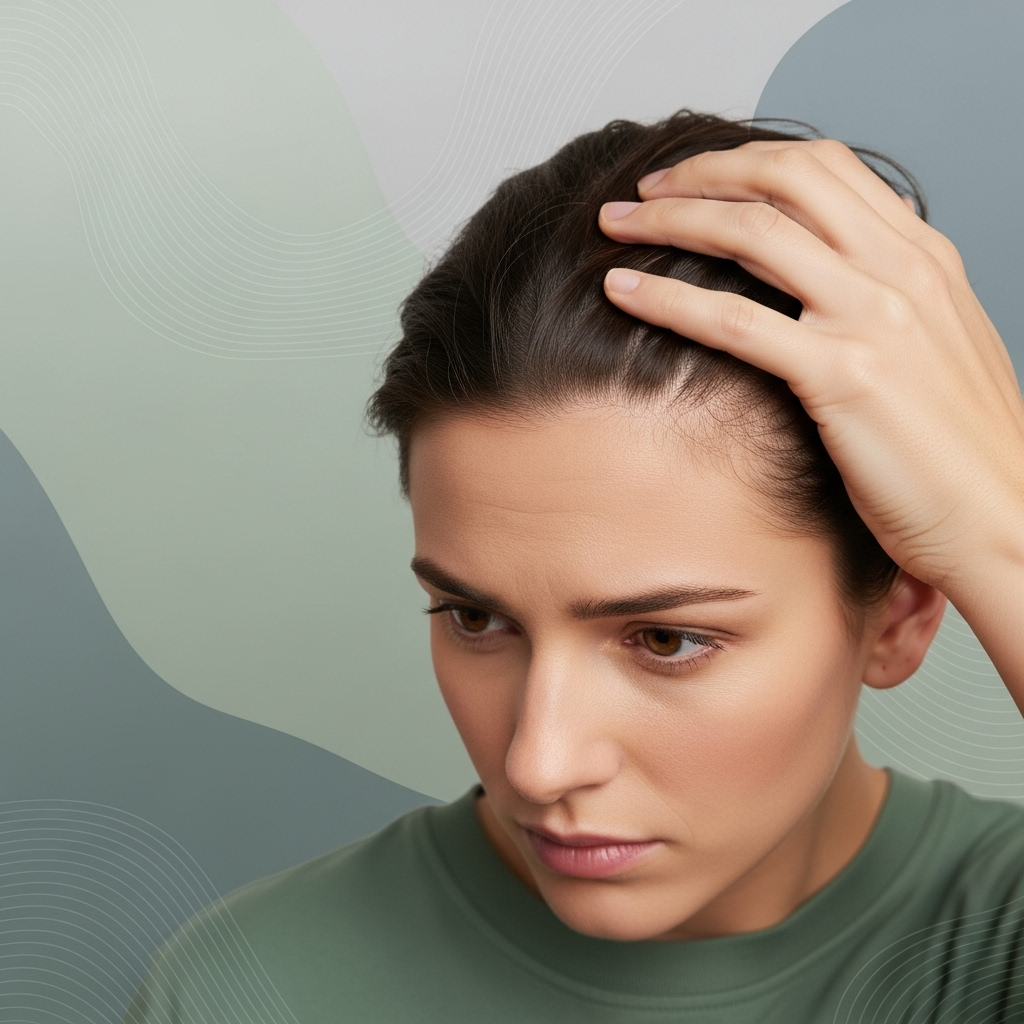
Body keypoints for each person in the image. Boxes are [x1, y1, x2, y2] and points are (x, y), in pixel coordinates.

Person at [124, 110, 1024, 1022]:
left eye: (667, 639)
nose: (539, 764)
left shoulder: (997, 943)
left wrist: (1007, 533)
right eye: (475, 618)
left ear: (905, 612)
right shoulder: (252, 990)